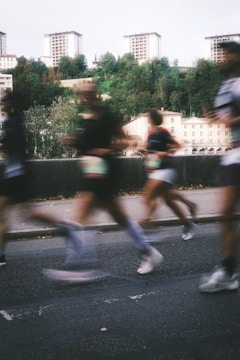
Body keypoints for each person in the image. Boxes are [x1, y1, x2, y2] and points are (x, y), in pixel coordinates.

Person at [48, 82, 163, 279]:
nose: (87, 98)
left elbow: (128, 140)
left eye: (90, 94)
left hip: (106, 170)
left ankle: (82, 267)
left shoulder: (108, 116)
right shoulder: (85, 120)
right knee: (117, 217)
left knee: (82, 214)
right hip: (91, 171)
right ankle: (148, 252)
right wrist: (73, 141)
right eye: (83, 95)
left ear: (97, 95)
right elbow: (87, 145)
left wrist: (106, 150)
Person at [0, 89, 80, 268]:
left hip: (18, 173)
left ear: (10, 101)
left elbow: (15, 144)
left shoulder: (15, 120)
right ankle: (1, 256)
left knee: (28, 214)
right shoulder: (10, 120)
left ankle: (65, 228)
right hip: (11, 173)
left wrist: (3, 145)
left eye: (3, 99)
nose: (1, 102)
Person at [199, 41, 240, 292]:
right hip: (233, 154)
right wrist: (216, 118)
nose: (222, 59)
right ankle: (228, 273)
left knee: (227, 213)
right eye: (221, 55)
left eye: (227, 55)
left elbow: (231, 119)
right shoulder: (225, 86)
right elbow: (225, 120)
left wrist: (230, 118)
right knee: (225, 214)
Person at [140, 109, 197, 240]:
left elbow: (177, 145)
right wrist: (142, 149)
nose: (147, 120)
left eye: (148, 118)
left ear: (152, 119)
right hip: (155, 171)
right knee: (168, 201)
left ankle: (150, 226)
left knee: (148, 196)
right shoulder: (150, 134)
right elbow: (149, 151)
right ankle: (188, 224)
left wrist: (163, 154)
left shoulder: (162, 132)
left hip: (166, 170)